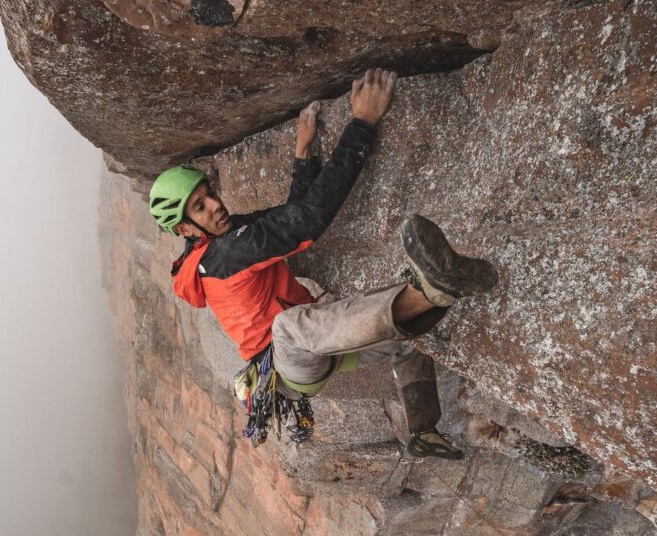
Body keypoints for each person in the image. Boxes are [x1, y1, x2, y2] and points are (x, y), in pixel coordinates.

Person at [148, 69, 497, 458]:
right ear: (184, 228)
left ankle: (423, 429)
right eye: (200, 206)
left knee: (402, 343)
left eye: (209, 194)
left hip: (318, 355)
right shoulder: (224, 254)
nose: (216, 204)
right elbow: (311, 222)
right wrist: (362, 124)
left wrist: (303, 155)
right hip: (291, 360)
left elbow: (292, 218)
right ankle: (431, 291)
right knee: (289, 325)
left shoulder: (223, 241)